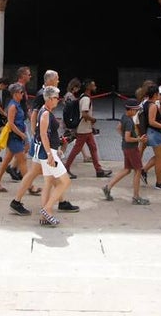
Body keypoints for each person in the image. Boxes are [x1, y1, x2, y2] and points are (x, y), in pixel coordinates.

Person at [9, 69, 59, 215]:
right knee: (53, 177)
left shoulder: (47, 94)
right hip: (43, 144)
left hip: (43, 143)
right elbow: (34, 114)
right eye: (56, 78)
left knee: (41, 174)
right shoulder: (41, 95)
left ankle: (59, 202)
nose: (58, 81)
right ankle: (48, 209)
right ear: (50, 80)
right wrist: (35, 134)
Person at [32, 85, 76, 227]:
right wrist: (51, 153)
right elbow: (43, 134)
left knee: (48, 183)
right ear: (50, 99)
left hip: (48, 152)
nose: (58, 100)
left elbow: (48, 134)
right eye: (57, 98)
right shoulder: (45, 113)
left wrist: (56, 148)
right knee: (65, 181)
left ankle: (44, 217)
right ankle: (47, 209)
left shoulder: (44, 112)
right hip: (48, 154)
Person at [100, 98, 149, 205]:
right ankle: (136, 197)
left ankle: (108, 187)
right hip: (131, 148)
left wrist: (127, 137)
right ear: (131, 110)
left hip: (126, 147)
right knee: (138, 170)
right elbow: (127, 138)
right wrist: (139, 139)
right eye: (136, 110)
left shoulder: (124, 117)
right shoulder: (129, 121)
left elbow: (118, 128)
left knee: (127, 169)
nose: (136, 112)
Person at [64, 79, 112, 178]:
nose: (95, 87)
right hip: (83, 129)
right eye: (93, 86)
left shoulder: (82, 96)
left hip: (86, 129)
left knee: (93, 148)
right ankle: (66, 168)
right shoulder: (86, 99)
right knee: (76, 149)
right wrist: (93, 120)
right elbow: (85, 114)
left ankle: (99, 170)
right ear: (88, 87)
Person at [0, 82, 28, 193]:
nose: (23, 94)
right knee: (22, 161)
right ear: (16, 93)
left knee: (6, 160)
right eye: (21, 92)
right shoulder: (13, 106)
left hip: (17, 136)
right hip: (14, 137)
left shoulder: (17, 104)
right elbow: (11, 123)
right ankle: (30, 186)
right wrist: (22, 134)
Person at [140, 82, 161, 190]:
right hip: (155, 133)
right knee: (160, 159)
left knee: (159, 157)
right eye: (158, 94)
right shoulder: (152, 105)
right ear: (155, 94)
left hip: (152, 132)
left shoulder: (147, 103)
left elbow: (158, 116)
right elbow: (152, 121)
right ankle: (159, 182)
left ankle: (144, 171)